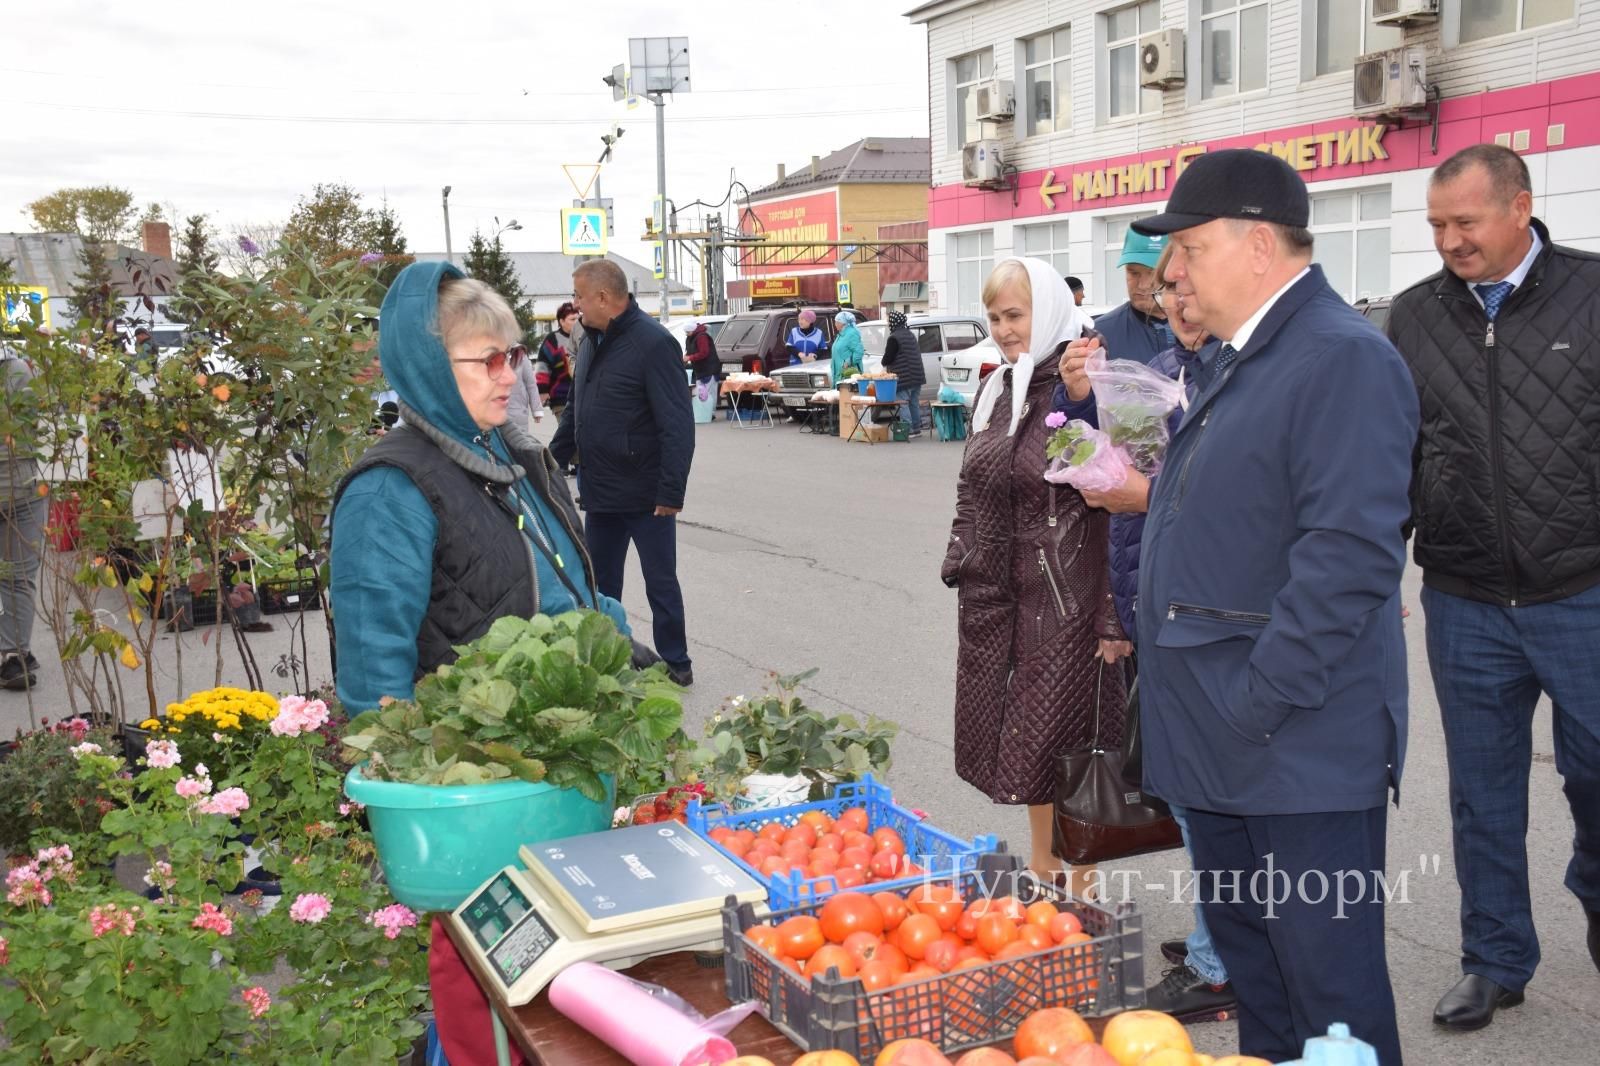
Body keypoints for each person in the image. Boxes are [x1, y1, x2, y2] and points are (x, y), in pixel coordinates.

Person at [1089, 149, 1415, 1065]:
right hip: (1229, 750)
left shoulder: (1340, 358)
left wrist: (1255, 703)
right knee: (1261, 990)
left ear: (1258, 245)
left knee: (1332, 1001)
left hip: (1294, 745)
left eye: (1189, 246)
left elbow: (1348, 559)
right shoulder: (1243, 356)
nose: (1173, 272)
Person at [328, 261, 634, 1066]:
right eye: (486, 361)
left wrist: (615, 642)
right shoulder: (392, 488)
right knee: (486, 992)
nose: (512, 376)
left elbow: (563, 580)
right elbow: (373, 661)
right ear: (431, 366)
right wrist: (403, 786)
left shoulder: (509, 456)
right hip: (476, 796)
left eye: (515, 356)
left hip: (548, 781)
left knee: (550, 991)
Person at [1385, 143, 1600, 1030]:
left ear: (1520, 207)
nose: (1450, 241)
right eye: (1437, 225)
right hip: (1466, 599)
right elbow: (1392, 457)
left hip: (1584, 594)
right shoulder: (1412, 317)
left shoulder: (1592, 294)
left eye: (1465, 222)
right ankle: (1495, 958)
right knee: (1482, 791)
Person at [1060, 241, 1237, 1024]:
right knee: (1187, 789)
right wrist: (1078, 404)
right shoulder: (1164, 370)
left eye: (1185, 288)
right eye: (1165, 291)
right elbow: (1115, 458)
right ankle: (1219, 938)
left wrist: (1141, 492)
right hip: (1152, 601)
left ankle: (1219, 959)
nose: (1175, 303)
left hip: (1209, 613)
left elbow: (1214, 497)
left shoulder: (1245, 374)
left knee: (1212, 795)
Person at [941, 256, 1126, 891]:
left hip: (1067, 602)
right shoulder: (1000, 388)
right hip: (1001, 596)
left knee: (1064, 743)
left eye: (1014, 314)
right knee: (1024, 745)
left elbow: (1111, 502)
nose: (1003, 328)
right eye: (994, 317)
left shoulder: (1082, 381)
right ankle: (1048, 877)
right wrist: (962, 559)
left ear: (1044, 310)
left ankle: (1082, 885)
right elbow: (974, 484)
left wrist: (1111, 613)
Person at [552, 258, 696, 687]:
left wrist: (670, 492)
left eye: (579, 296)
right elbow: (579, 408)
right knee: (600, 585)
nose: (575, 304)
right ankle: (608, 657)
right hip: (600, 490)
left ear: (602, 297)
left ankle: (677, 663)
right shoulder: (592, 341)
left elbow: (677, 423)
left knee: (661, 584)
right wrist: (551, 459)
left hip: (648, 494)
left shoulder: (653, 344)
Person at [0, 339, 45, 691]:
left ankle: (15, 654)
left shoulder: (21, 370)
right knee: (19, 575)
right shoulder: (24, 370)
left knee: (17, 575)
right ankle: (15, 656)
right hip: (26, 486)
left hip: (23, 487)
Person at [1094, 231, 1175, 363]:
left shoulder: (1206, 327)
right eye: (1133, 272)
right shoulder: (1101, 334)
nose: (1142, 285)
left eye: (1152, 273)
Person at [879, 310, 926, 436]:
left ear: (893, 322)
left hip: (904, 377)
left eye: (889, 321)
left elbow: (888, 358)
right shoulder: (910, 334)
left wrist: (883, 363)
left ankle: (908, 430)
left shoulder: (894, 337)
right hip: (917, 376)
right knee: (914, 402)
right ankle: (916, 429)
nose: (888, 323)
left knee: (903, 403)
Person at [535, 302, 579, 413]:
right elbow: (542, 367)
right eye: (573, 319)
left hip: (583, 397)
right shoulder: (553, 340)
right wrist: (543, 390)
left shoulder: (585, 337)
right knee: (568, 430)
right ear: (562, 321)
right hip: (561, 398)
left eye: (578, 318)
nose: (577, 322)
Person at [504, 346, 545, 433]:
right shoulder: (489, 353)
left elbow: (531, 384)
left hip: (517, 413)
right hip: (494, 414)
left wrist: (536, 409)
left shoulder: (520, 355)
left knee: (519, 443)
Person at [684, 318, 721, 384]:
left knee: (709, 394)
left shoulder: (702, 337)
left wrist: (690, 357)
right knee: (702, 394)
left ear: (693, 330)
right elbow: (691, 350)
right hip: (700, 372)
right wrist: (686, 356)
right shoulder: (690, 338)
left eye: (688, 332)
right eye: (686, 332)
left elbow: (704, 353)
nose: (686, 334)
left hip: (709, 371)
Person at [829, 310, 863, 382]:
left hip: (848, 374)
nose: (835, 324)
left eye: (837, 322)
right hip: (840, 374)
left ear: (843, 323)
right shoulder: (841, 334)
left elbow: (859, 352)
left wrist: (848, 362)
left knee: (847, 392)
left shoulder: (851, 333)